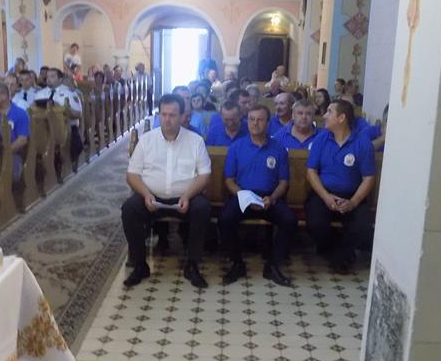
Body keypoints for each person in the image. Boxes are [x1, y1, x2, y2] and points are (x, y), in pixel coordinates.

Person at [122, 94, 211, 289]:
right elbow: (132, 174)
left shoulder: (195, 141)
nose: (167, 119)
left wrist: (187, 196)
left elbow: (204, 175)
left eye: (172, 115)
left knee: (202, 208)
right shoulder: (147, 140)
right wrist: (146, 194)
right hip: (151, 197)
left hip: (185, 198)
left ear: (182, 116)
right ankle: (140, 264)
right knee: (129, 209)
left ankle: (193, 265)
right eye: (163, 114)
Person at [218, 105, 296, 287]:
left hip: (269, 197)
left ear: (268, 123)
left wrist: (273, 198)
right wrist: (245, 197)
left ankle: (273, 265)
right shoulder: (237, 147)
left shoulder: (278, 148)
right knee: (225, 218)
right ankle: (237, 263)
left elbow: (284, 181)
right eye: (252, 119)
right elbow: (229, 180)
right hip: (243, 196)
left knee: (290, 220)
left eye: (260, 119)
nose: (255, 123)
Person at [306, 99, 376, 273]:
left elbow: (368, 177)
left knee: (362, 227)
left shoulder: (362, 142)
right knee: (316, 223)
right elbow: (311, 171)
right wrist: (326, 197)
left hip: (352, 195)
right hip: (323, 194)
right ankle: (338, 254)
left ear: (341, 118)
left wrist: (353, 202)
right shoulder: (322, 138)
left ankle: (341, 255)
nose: (324, 115)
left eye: (329, 112)